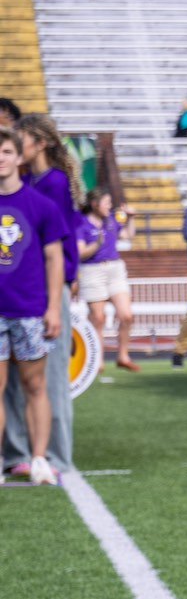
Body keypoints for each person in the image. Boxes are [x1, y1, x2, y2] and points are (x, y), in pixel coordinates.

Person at [0, 125, 65, 485]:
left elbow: (54, 259)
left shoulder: (41, 205)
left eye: (6, 151)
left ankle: (39, 459)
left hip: (29, 310)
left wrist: (53, 307)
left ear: (18, 155)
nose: (0, 158)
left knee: (35, 386)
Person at [76, 189, 136, 370]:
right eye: (106, 203)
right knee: (98, 318)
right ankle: (97, 360)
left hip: (115, 269)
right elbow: (80, 253)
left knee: (126, 315)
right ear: (95, 204)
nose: (109, 206)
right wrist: (96, 244)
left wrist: (131, 218)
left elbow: (127, 235)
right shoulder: (81, 223)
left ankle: (123, 356)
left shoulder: (111, 220)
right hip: (92, 271)